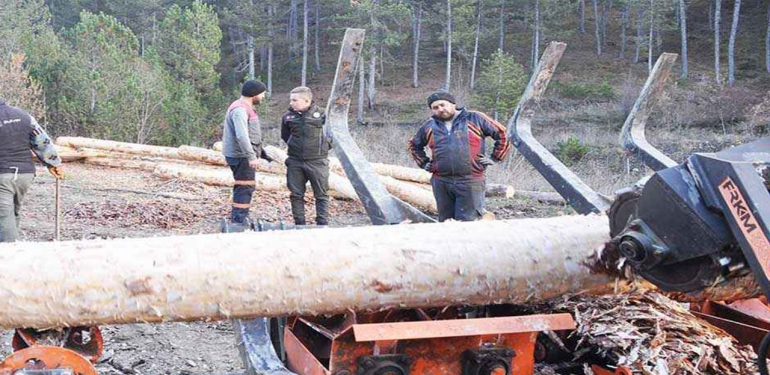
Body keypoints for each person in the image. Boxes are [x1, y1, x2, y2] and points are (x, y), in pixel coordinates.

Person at [408, 91, 510, 222]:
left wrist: (495, 157)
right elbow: (414, 144)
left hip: (470, 180)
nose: (440, 109)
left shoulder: (474, 118)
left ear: (453, 104)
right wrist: (423, 163)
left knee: (468, 222)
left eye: (442, 105)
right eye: (435, 107)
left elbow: (502, 134)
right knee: (445, 222)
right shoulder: (430, 125)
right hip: (441, 181)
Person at [0, 98, 62, 242]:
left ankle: (10, 252)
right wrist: (54, 164)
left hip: (2, 175)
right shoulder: (23, 116)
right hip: (25, 175)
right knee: (11, 214)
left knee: (3, 218)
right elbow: (42, 141)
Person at [221, 80, 273, 224]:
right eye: (262, 94)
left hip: (242, 155)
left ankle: (240, 217)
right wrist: (251, 156)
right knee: (245, 186)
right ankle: (239, 221)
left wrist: (261, 153)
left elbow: (250, 135)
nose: (263, 97)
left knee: (245, 186)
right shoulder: (240, 110)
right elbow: (242, 136)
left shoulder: (243, 107)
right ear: (254, 94)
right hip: (241, 156)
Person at [280, 86, 331, 226]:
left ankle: (322, 224)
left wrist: (322, 148)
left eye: (294, 100)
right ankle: (300, 224)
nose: (291, 103)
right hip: (295, 161)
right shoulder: (288, 117)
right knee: (296, 194)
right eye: (291, 100)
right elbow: (285, 136)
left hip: (317, 161)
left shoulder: (322, 114)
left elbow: (332, 136)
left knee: (321, 194)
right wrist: (294, 146)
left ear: (306, 100)